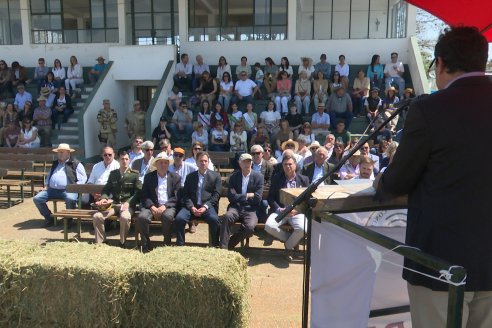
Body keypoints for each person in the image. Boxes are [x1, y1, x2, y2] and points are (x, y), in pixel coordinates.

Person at [376, 26, 492, 328]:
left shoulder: (430, 109)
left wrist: (381, 180)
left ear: (439, 63)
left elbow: (396, 183)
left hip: (439, 263)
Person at [92, 150, 141, 247]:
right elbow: (106, 189)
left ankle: (122, 242)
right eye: (122, 159)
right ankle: (101, 242)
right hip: (114, 204)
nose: (124, 161)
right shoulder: (113, 174)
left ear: (129, 160)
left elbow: (138, 192)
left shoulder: (134, 174)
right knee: (97, 216)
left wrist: (128, 202)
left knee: (125, 217)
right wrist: (104, 198)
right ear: (118, 160)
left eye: (126, 159)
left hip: (127, 205)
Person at [265, 153, 309, 258]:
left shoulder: (304, 179)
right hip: (281, 211)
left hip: (296, 212)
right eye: (285, 164)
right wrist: (279, 209)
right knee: (269, 226)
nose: (288, 166)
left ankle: (288, 246)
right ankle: (290, 239)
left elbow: (307, 200)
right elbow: (270, 198)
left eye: (290, 164)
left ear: (295, 165)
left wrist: (297, 210)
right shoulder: (276, 178)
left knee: (303, 229)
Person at [33, 143, 87, 227]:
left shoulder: (76, 164)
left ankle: (69, 219)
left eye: (62, 152)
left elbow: (83, 179)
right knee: (37, 198)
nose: (59, 154)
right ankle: (49, 218)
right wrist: (46, 185)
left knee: (70, 198)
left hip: (68, 190)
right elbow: (50, 175)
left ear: (68, 153)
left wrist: (74, 188)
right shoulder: (55, 163)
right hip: (52, 190)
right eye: (58, 152)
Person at [174, 151, 221, 247]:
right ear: (196, 162)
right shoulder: (190, 177)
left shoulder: (215, 176)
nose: (203, 163)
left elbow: (216, 195)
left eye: (205, 161)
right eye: (201, 161)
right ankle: (180, 246)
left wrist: (205, 207)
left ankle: (215, 246)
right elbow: (185, 195)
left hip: (207, 207)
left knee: (214, 220)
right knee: (179, 219)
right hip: (191, 207)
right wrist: (191, 207)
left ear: (208, 162)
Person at [136, 152, 181, 250]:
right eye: (161, 163)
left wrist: (164, 206)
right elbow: (144, 195)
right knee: (142, 217)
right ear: (156, 164)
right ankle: (146, 244)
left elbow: (176, 197)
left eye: (165, 163)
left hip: (168, 206)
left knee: (167, 217)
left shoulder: (175, 177)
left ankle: (166, 244)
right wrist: (152, 207)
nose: (163, 165)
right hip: (151, 206)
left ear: (168, 164)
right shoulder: (149, 177)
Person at [220, 153, 263, 249]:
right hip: (235, 207)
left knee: (250, 227)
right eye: (244, 162)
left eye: (249, 161)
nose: (247, 164)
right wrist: (247, 195)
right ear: (240, 163)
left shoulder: (258, 177)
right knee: (227, 217)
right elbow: (231, 197)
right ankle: (223, 249)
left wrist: (239, 197)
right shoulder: (234, 177)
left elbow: (257, 198)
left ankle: (229, 244)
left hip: (251, 209)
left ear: (251, 163)